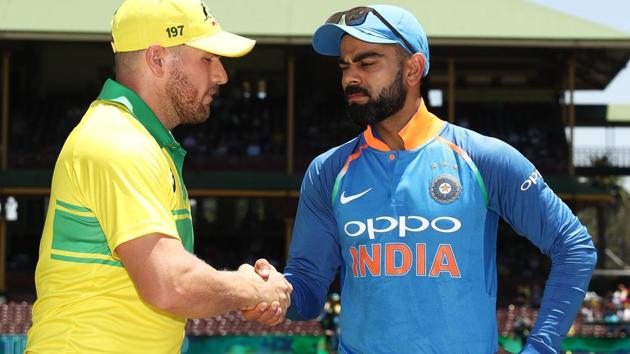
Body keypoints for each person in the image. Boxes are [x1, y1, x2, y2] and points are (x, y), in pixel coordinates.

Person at [250, 4, 597, 353]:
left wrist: (540, 347)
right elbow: (308, 289)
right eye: (345, 66)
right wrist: (276, 292)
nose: (350, 78)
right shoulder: (327, 171)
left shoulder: (483, 158)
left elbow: (574, 246)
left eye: (367, 62)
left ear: (413, 68)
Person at [25, 1, 291, 353]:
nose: (221, 75)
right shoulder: (116, 140)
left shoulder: (139, 140)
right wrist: (252, 289)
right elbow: (170, 283)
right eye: (208, 59)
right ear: (157, 59)